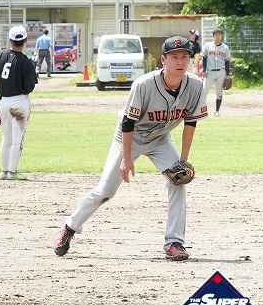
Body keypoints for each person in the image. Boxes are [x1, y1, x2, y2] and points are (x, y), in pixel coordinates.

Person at [53, 36, 207, 261]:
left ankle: (174, 242)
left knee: (178, 181)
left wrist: (182, 161)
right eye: (174, 57)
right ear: (163, 60)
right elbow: (128, 122)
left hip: (160, 139)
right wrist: (126, 158)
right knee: (106, 191)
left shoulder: (195, 86)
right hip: (129, 137)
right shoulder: (144, 84)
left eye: (185, 56)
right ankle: (70, 227)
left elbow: (190, 123)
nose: (180, 61)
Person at [0, 25, 38, 180]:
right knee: (17, 141)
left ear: (10, 40)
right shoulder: (26, 62)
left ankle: (4, 172)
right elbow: (29, 87)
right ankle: (13, 172)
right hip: (19, 103)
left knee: (6, 139)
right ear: (25, 40)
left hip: (3, 102)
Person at [201, 28, 233, 117]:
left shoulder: (225, 48)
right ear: (213, 36)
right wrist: (204, 70)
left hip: (221, 72)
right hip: (209, 72)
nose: (217, 36)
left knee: (219, 93)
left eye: (219, 35)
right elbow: (204, 58)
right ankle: (201, 111)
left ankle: (217, 111)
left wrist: (227, 74)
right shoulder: (207, 46)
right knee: (204, 91)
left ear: (221, 36)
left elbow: (227, 61)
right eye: (216, 35)